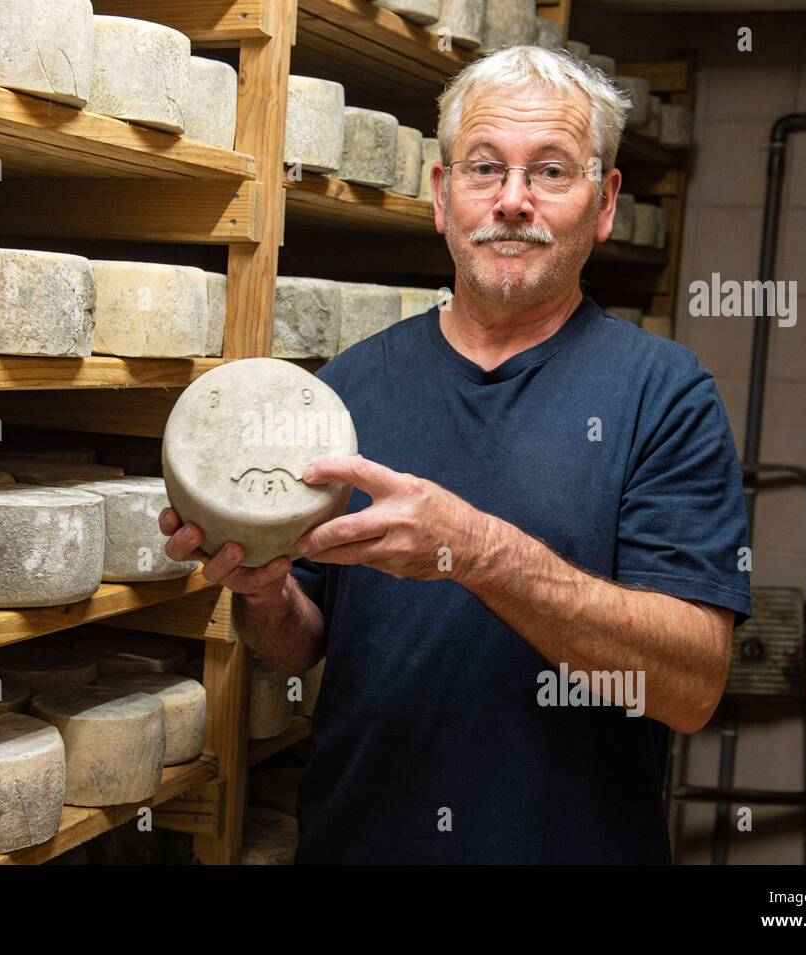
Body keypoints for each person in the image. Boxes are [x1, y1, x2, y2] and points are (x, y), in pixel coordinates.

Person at [160, 45, 750, 864]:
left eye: (550, 171)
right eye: (484, 169)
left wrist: (476, 551)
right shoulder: (349, 388)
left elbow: (691, 689)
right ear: (442, 195)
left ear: (605, 202)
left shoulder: (665, 395)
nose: (512, 201)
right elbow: (304, 640)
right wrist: (262, 593)